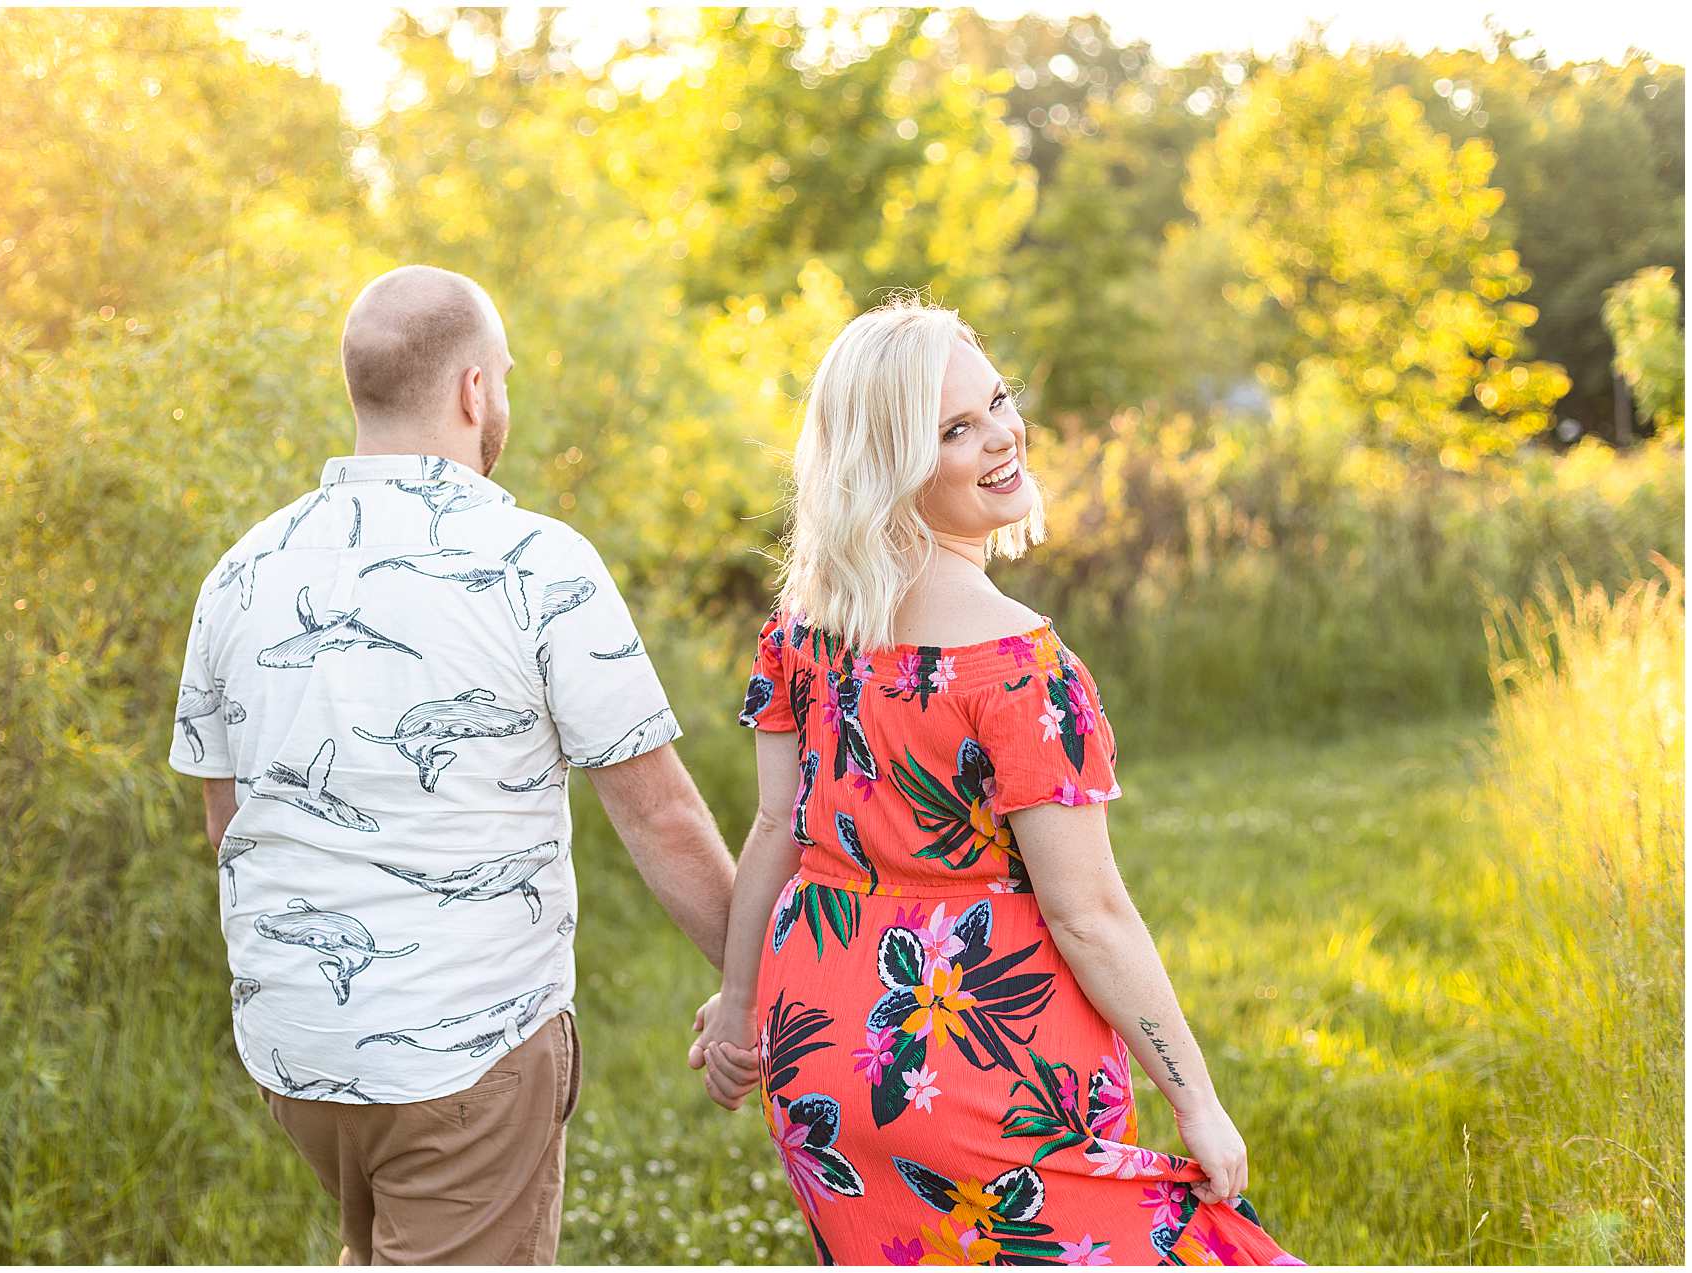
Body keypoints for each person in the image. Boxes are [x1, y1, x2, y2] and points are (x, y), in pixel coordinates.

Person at [688, 295, 1305, 1265]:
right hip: (984, 1060)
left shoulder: (802, 634)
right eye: (952, 429)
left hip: (819, 1056)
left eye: (996, 402)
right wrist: (1196, 1100)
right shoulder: (1016, 666)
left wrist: (738, 1004)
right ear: (888, 465)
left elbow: (775, 829)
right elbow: (1087, 912)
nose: (1000, 436)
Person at [169, 265, 738, 1265]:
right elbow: (661, 820)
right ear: (475, 390)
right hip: (465, 1057)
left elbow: (229, 825)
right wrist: (763, 986)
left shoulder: (241, 573)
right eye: (503, 378)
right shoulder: (537, 562)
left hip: (298, 1054)